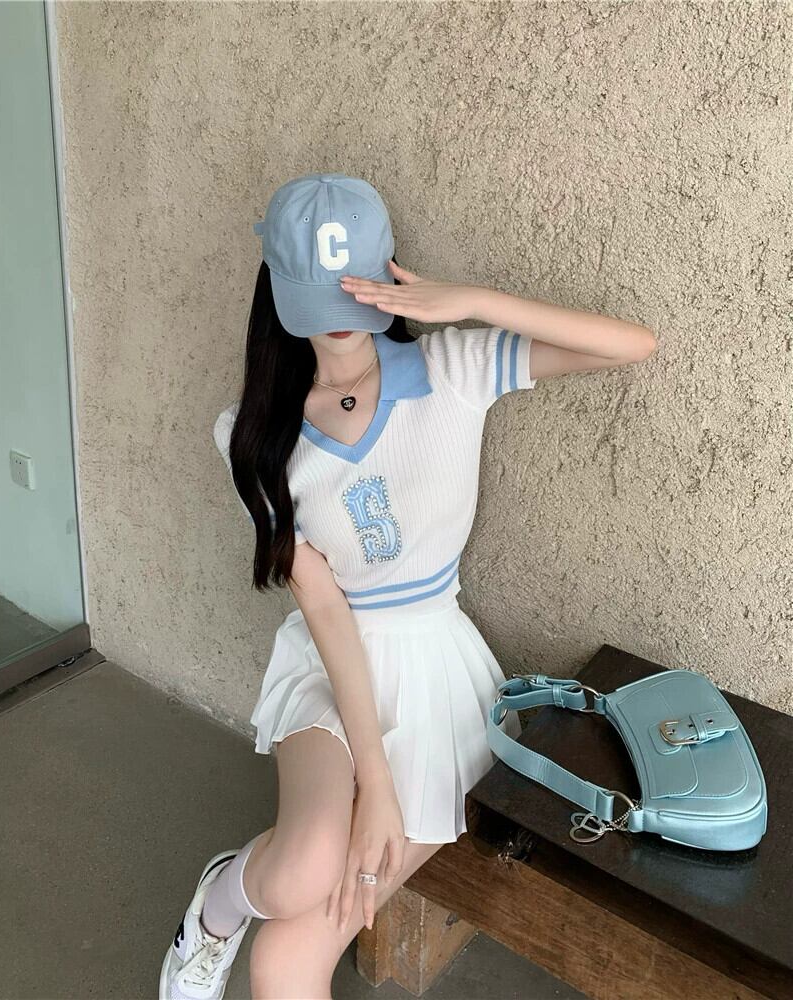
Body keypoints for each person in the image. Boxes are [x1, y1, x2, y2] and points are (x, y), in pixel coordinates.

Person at [159, 173, 657, 1000]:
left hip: (438, 679)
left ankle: (240, 899)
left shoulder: (454, 366)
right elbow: (323, 605)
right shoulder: (255, 434)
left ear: (389, 274)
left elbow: (631, 343)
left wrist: (470, 300)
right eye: (319, 297)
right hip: (332, 662)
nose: (341, 318)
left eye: (356, 289)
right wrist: (377, 785)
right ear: (279, 294)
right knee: (299, 871)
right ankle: (218, 905)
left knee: (284, 964)